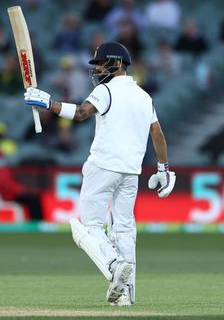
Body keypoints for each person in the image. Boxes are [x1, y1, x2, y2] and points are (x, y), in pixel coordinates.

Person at [24, 42, 176, 306]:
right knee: (124, 230)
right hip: (131, 172)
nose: (98, 69)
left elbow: (81, 113)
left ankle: (114, 265)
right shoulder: (144, 96)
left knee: (86, 227)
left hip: (103, 167)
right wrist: (164, 168)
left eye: (102, 64)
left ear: (117, 64)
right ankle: (125, 297)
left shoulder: (105, 90)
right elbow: (158, 133)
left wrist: (48, 103)